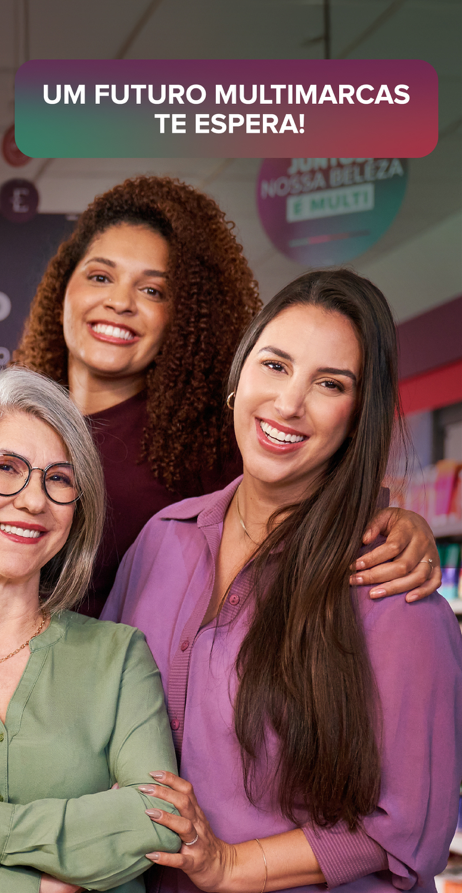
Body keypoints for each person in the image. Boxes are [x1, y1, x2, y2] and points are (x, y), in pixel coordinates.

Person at [102, 269, 462, 893]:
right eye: (274, 365)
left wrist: (233, 865)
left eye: (329, 383)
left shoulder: (388, 586)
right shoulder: (164, 538)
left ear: (357, 417)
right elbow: (95, 717)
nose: (289, 403)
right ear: (239, 376)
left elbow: (412, 826)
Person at [14, 176, 441, 615]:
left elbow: (309, 498)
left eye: (152, 290)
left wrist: (393, 526)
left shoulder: (206, 442)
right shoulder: (13, 418)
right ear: (63, 285)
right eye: (100, 276)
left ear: (186, 314)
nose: (120, 301)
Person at [0, 367, 181, 893]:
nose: (33, 501)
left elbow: (158, 821)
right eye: (6, 468)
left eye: (58, 478)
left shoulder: (118, 657)